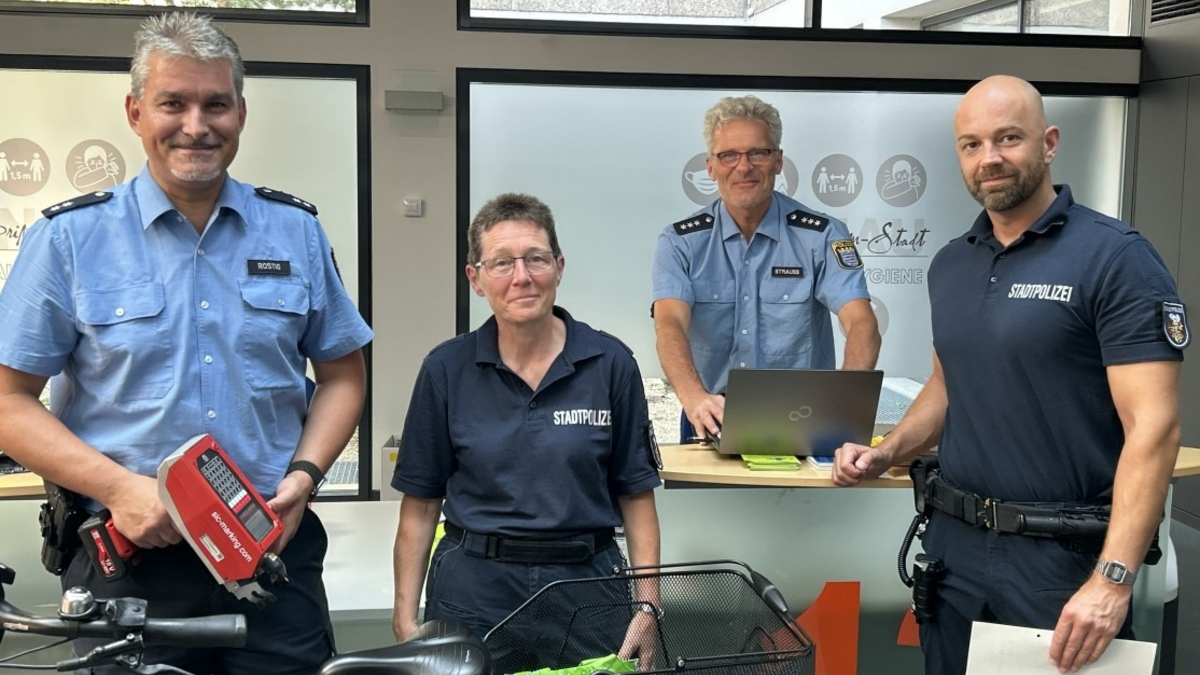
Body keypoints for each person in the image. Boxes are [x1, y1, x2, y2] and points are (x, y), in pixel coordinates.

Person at [0, 12, 372, 675]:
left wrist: (306, 476)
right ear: (136, 111)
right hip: (133, 561)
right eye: (173, 103)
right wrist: (120, 488)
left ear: (241, 114)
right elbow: (8, 401)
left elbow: (343, 375)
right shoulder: (68, 240)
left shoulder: (295, 232)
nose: (196, 126)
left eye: (215, 104)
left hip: (269, 550)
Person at [833, 75, 1186, 675]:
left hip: (1061, 560)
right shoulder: (951, 263)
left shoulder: (1116, 257)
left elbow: (1155, 427)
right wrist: (886, 451)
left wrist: (1113, 578)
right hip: (953, 551)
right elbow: (946, 386)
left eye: (1008, 138)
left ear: (1049, 143)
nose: (989, 158)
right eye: (971, 144)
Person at [391, 193, 662, 667]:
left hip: (587, 587)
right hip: (474, 589)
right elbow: (420, 506)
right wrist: (404, 618)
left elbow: (636, 495)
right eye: (501, 263)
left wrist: (649, 607)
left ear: (558, 267)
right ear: (475, 279)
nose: (522, 277)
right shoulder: (446, 369)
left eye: (536, 258)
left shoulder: (610, 363)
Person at [651, 95, 880, 443]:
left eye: (758, 153)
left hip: (804, 414)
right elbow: (669, 324)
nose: (744, 167)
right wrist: (693, 397)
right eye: (729, 155)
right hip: (709, 413)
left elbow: (861, 323)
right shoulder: (679, 242)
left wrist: (844, 404)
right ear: (711, 167)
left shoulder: (823, 235)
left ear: (778, 161)